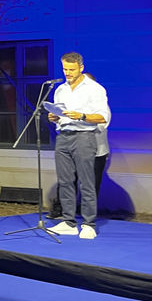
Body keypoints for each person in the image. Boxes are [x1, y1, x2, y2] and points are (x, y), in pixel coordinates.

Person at [46, 52, 109, 239]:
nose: (68, 73)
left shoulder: (95, 89)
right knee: (65, 181)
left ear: (81, 67)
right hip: (63, 136)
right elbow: (60, 114)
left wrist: (81, 116)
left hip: (84, 136)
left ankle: (89, 224)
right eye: (65, 69)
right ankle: (68, 222)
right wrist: (54, 117)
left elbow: (103, 116)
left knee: (86, 181)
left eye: (71, 69)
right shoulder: (61, 89)